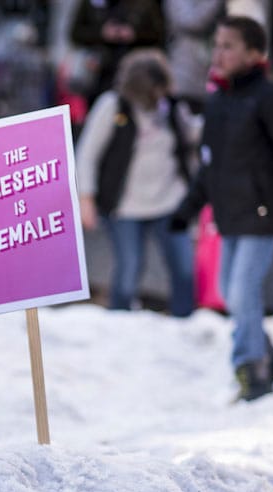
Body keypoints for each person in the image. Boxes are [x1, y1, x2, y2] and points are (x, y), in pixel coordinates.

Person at [172, 16, 273, 401]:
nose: (219, 53)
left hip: (263, 212)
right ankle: (269, 354)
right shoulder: (217, 100)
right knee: (228, 290)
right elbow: (210, 163)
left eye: (229, 45)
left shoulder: (272, 97)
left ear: (254, 53)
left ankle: (252, 371)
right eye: (216, 44)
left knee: (240, 293)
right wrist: (188, 208)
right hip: (230, 215)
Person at [75, 48, 199, 317]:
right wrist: (86, 198)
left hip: (170, 200)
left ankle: (185, 322)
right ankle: (120, 322)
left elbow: (191, 137)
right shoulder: (112, 105)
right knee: (130, 267)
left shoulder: (173, 106)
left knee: (184, 268)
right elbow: (86, 155)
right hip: (125, 206)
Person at [70, 0, 166, 108]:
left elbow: (159, 35)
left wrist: (135, 34)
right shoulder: (92, 3)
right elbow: (75, 34)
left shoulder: (145, 3)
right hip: (99, 72)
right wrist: (101, 33)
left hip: (134, 71)